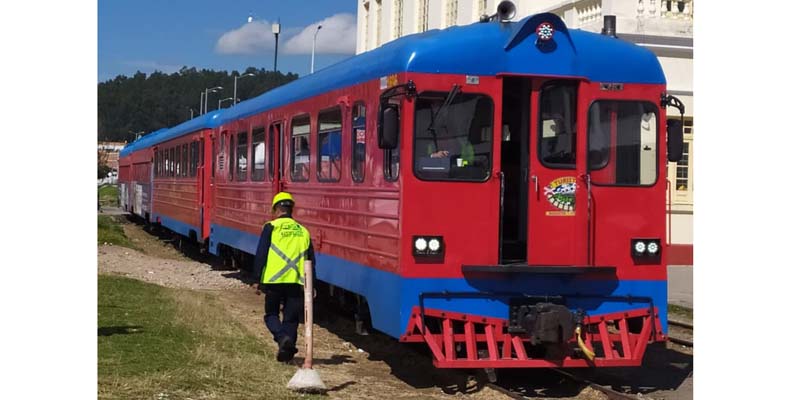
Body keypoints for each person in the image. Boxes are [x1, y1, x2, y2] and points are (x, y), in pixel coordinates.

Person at [252, 192, 316, 362]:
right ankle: (287, 354)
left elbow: (261, 254)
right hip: (295, 282)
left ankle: (282, 339)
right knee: (291, 318)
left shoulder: (271, 227)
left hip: (274, 280)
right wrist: (312, 284)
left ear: (276, 209)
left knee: (271, 315)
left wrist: (256, 279)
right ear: (291, 209)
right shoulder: (303, 231)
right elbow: (310, 260)